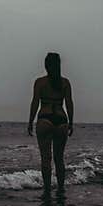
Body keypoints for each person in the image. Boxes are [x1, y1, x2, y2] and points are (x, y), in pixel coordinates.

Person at [27, 52, 74, 194]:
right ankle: (61, 189)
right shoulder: (65, 82)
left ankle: (47, 190)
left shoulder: (40, 82)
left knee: (45, 159)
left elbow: (35, 102)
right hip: (61, 120)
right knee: (59, 159)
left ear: (46, 65)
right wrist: (71, 122)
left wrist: (30, 121)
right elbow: (69, 103)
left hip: (45, 119)